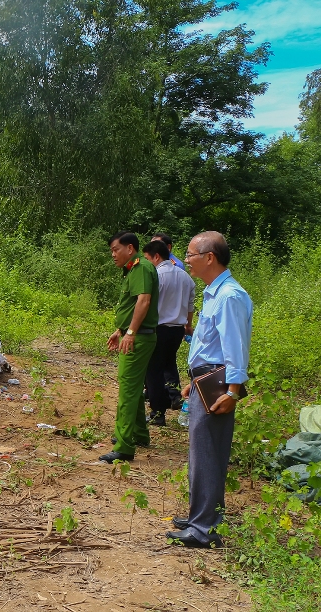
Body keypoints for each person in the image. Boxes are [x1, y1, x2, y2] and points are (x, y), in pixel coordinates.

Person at [167, 231, 252, 548]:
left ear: (209, 257)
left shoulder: (229, 296)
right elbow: (210, 344)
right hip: (206, 379)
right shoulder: (215, 293)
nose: (185, 260)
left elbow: (235, 348)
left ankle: (205, 529)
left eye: (189, 255)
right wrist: (193, 378)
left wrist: (232, 392)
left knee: (208, 453)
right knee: (200, 452)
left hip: (219, 383)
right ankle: (200, 517)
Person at [101, 232, 159, 463]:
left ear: (130, 248)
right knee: (133, 387)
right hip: (136, 334)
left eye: (116, 249)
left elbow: (144, 300)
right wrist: (121, 330)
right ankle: (139, 434)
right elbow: (133, 304)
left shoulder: (141, 268)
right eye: (112, 251)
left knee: (127, 390)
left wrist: (132, 332)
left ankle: (124, 446)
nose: (113, 255)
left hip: (140, 337)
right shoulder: (133, 269)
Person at [142, 239, 196, 425]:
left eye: (147, 258)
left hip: (159, 328)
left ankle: (158, 413)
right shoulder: (185, 277)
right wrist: (188, 325)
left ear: (156, 256)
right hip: (177, 331)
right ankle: (173, 396)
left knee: (154, 371)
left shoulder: (156, 275)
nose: (146, 262)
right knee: (168, 363)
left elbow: (148, 304)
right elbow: (190, 305)